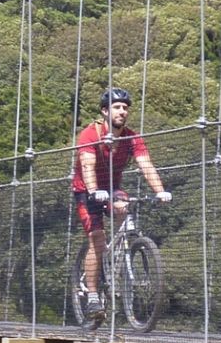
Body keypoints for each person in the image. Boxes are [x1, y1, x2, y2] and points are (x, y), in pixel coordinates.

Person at [71, 88, 170, 316]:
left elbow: (146, 165)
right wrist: (95, 191)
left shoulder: (131, 138)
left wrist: (160, 191)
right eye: (117, 107)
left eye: (125, 108)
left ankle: (117, 254)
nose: (122, 111)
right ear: (105, 111)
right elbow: (87, 166)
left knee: (123, 205)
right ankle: (94, 295)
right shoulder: (90, 135)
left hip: (113, 189)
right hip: (86, 191)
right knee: (97, 238)